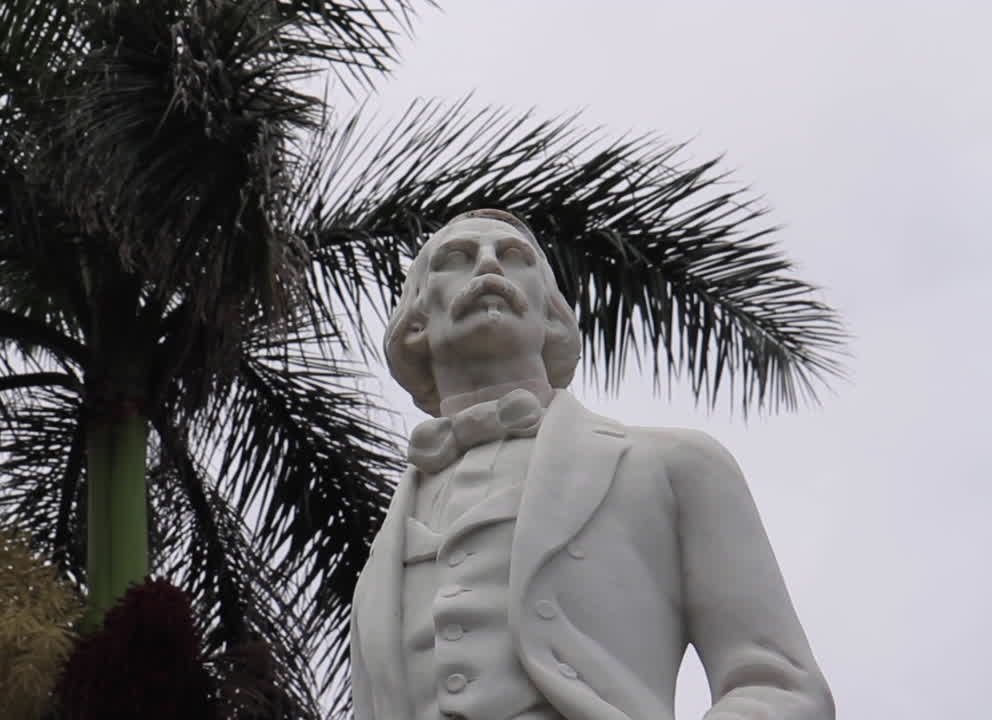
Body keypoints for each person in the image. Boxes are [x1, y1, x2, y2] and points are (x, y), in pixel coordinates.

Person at [350, 209, 833, 720]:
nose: (489, 267)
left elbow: (781, 687)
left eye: (514, 258)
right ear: (416, 323)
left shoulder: (674, 465)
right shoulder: (382, 553)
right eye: (456, 258)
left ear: (552, 316)